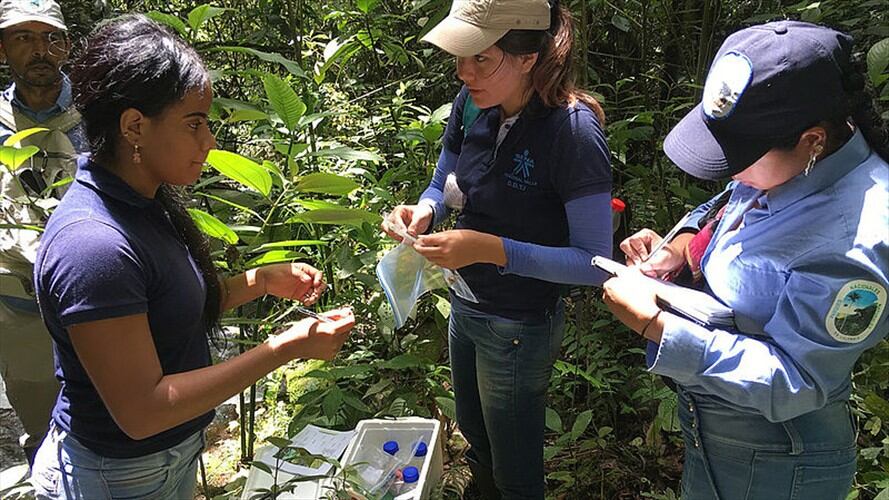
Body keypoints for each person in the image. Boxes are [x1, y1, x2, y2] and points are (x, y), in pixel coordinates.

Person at [28, 14, 355, 499]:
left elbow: (162, 315)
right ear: (134, 125)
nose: (210, 140)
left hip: (161, 462)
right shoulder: (94, 246)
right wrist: (284, 348)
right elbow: (144, 412)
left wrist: (259, 281)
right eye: (194, 123)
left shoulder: (140, 200)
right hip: (118, 476)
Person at [602, 21, 888, 500]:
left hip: (782, 458)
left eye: (741, 155)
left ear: (813, 139)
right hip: (715, 429)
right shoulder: (785, 165)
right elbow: (728, 204)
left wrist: (658, 326)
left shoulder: (857, 239)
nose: (732, 168)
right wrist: (680, 247)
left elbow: (799, 380)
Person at [382, 1, 612, 497]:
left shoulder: (572, 131)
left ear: (528, 57)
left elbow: (595, 264)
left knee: (515, 465)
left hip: (518, 325)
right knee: (477, 435)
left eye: (481, 58)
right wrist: (424, 212)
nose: (465, 73)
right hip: (465, 304)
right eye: (460, 58)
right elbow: (444, 178)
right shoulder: (473, 102)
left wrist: (490, 248)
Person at [0, 0, 85, 465]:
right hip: (18, 299)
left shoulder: (99, 113)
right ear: (2, 50)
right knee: (41, 418)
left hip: (96, 289)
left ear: (67, 47)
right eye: (23, 38)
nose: (40, 50)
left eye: (51, 38)